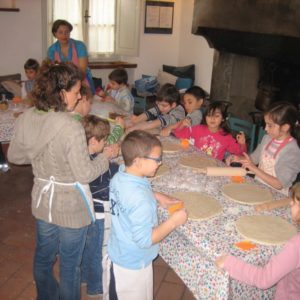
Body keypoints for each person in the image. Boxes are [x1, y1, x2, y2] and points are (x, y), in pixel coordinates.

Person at [7, 61, 110, 300]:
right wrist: (104, 157)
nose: (77, 98)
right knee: (70, 265)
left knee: (44, 257)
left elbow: (14, 156)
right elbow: (84, 174)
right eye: (75, 92)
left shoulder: (27, 116)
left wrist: (39, 156)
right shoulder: (70, 125)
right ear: (62, 93)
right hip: (70, 206)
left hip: (43, 200)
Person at [104, 130, 188, 300]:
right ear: (138, 161)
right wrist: (173, 222)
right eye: (156, 159)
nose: (160, 162)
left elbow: (131, 196)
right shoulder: (141, 200)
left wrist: (155, 195)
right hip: (131, 266)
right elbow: (145, 239)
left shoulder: (120, 176)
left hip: (119, 251)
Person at [216, 182, 300, 300]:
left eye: (296, 203)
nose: (290, 203)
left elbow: (264, 279)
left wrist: (228, 262)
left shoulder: (295, 245)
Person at [81, 115, 119, 297]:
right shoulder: (98, 164)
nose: (105, 143)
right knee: (98, 251)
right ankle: (96, 286)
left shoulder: (81, 155)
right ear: (94, 141)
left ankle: (83, 277)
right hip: (98, 213)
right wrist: (113, 163)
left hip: (84, 210)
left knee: (87, 247)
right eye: (104, 140)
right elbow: (107, 179)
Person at [227, 101, 300, 195]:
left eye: (270, 125)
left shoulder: (293, 151)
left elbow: (279, 184)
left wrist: (254, 168)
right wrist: (238, 158)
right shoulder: (267, 138)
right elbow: (253, 159)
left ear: (285, 127)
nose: (265, 129)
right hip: (259, 186)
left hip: (277, 195)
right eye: (266, 124)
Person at [172, 101, 246, 161]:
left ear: (223, 118)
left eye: (216, 116)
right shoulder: (198, 129)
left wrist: (242, 144)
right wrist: (182, 125)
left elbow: (240, 154)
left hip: (213, 169)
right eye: (209, 115)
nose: (212, 119)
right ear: (205, 117)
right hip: (196, 163)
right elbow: (178, 134)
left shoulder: (227, 137)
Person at [47, 19, 95, 94]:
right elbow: (52, 72)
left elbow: (82, 71)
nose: (64, 35)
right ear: (55, 34)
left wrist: (72, 86)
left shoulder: (80, 46)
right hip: (61, 84)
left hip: (81, 81)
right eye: (60, 32)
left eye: (67, 32)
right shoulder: (51, 50)